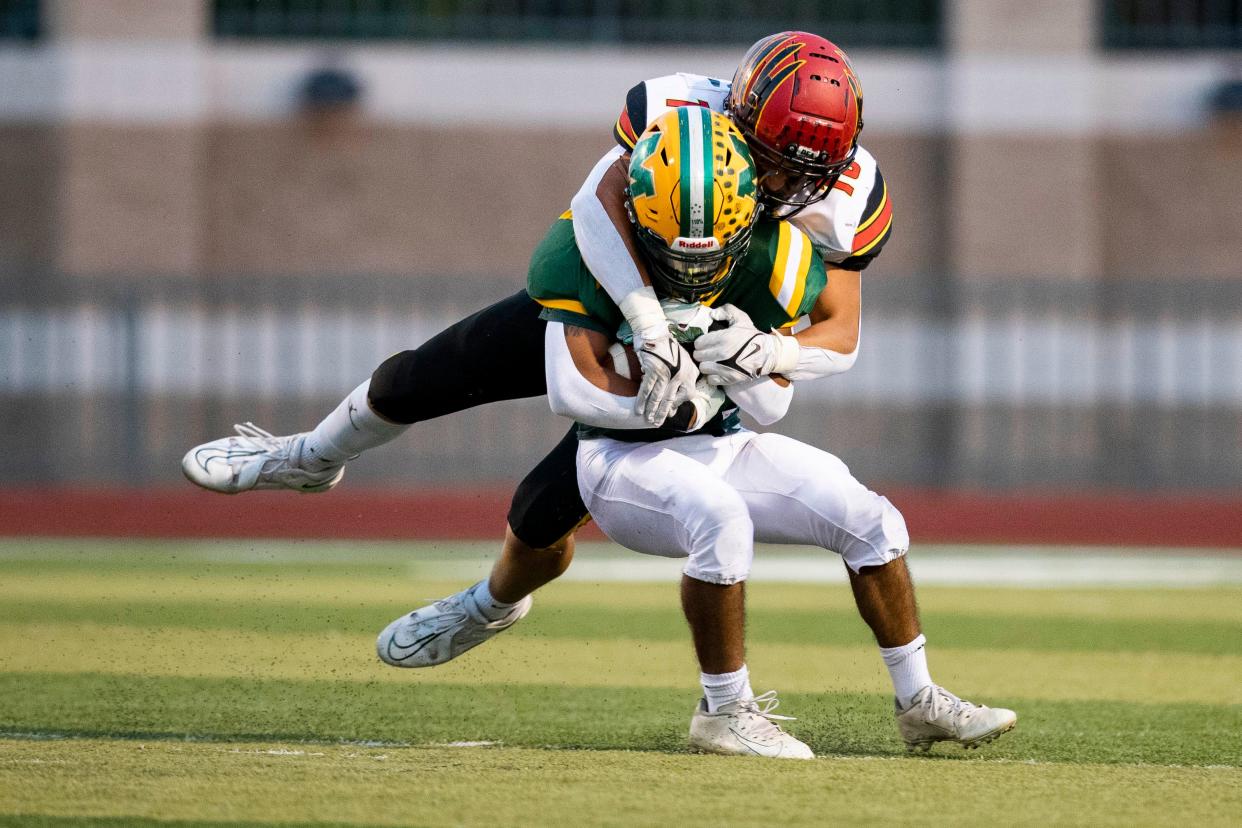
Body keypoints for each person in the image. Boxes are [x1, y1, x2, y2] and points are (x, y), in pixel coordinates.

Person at [381, 108, 1015, 759]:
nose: (699, 254)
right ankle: (724, 710)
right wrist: (656, 384)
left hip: (724, 445)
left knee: (871, 519)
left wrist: (758, 356)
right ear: (638, 220)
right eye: (679, 237)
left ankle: (919, 701)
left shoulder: (771, 259)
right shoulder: (594, 256)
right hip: (618, 459)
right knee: (720, 521)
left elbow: (770, 407)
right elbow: (572, 390)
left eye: (719, 235)